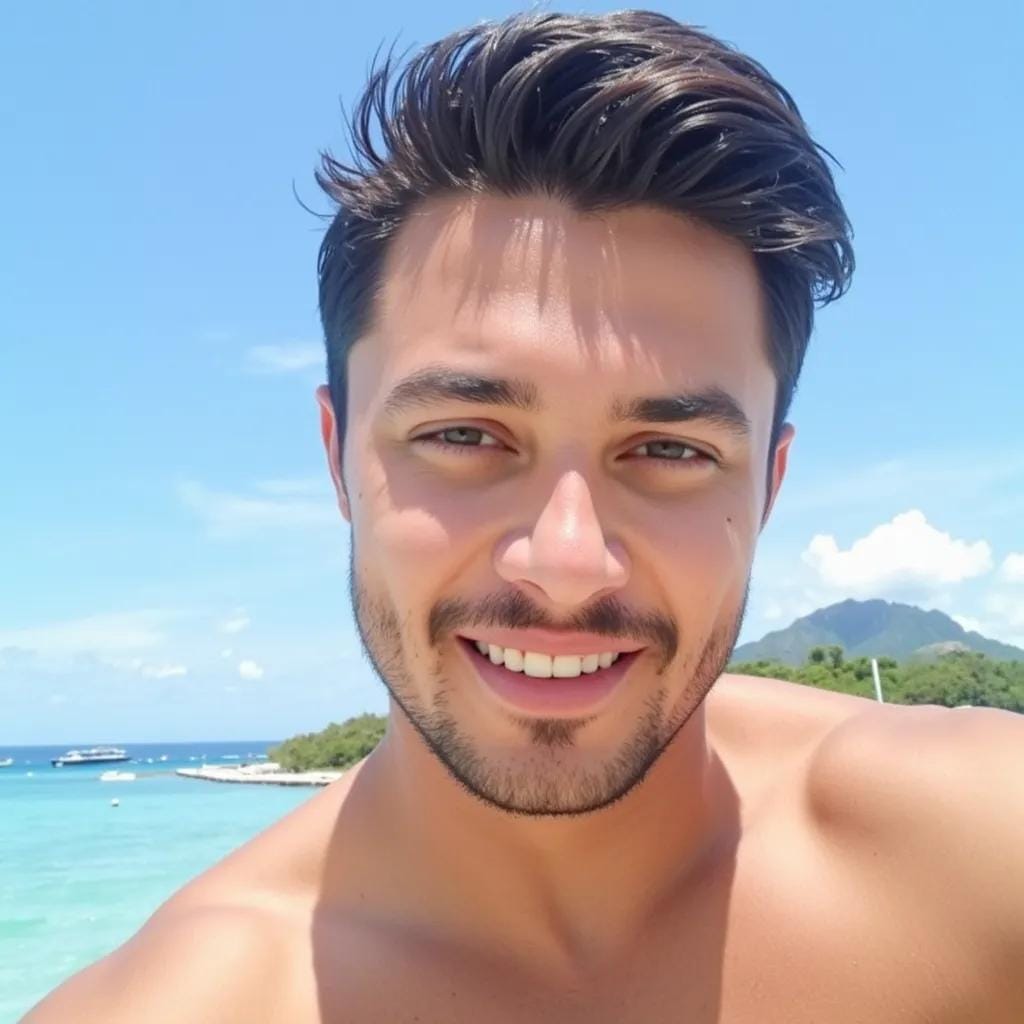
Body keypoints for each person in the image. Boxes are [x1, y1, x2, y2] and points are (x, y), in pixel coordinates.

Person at [24, 10, 1023, 1023]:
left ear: (768, 485)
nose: (566, 561)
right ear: (337, 455)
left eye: (671, 450)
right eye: (465, 434)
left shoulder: (977, 856)